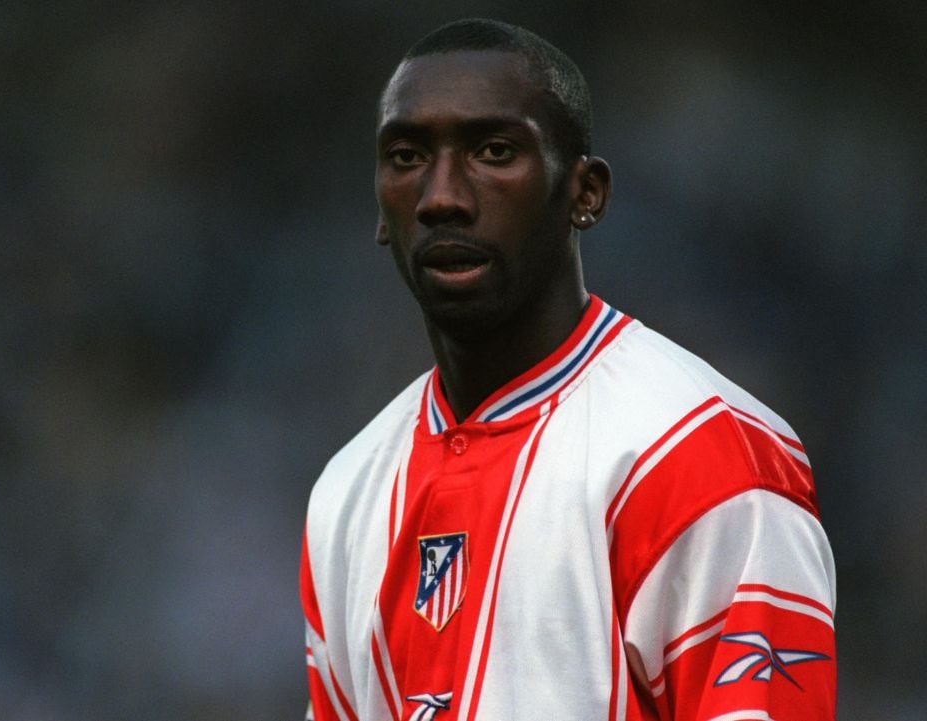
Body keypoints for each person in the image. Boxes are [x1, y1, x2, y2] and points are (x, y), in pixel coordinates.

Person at [300, 18, 835, 721]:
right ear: (378, 206)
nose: (442, 197)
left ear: (586, 192)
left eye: (493, 150)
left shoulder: (702, 455)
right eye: (406, 157)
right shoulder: (346, 492)